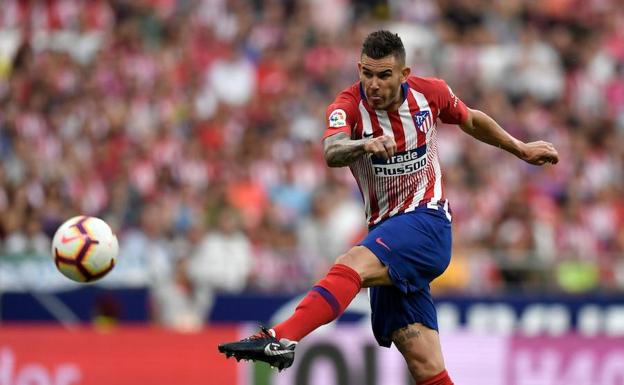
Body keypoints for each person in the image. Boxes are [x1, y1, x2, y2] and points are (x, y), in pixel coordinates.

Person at [218, 30, 559, 384]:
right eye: (367, 73)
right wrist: (364, 145)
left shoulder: (431, 94)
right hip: (386, 234)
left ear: (404, 74)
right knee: (425, 364)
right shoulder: (346, 106)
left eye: (384, 75)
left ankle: (280, 337)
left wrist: (520, 148)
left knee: (350, 264)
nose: (374, 84)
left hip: (427, 224)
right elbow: (332, 151)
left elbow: (471, 119)